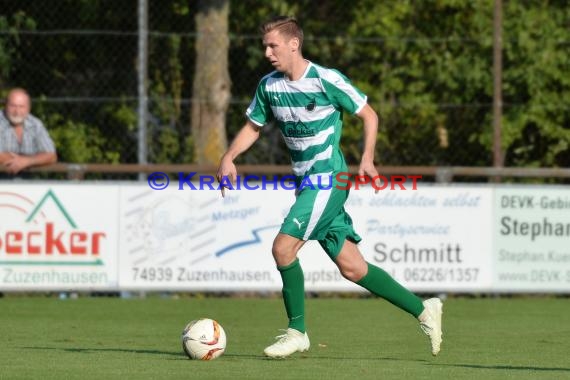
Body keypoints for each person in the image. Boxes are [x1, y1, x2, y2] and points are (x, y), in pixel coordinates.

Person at [216, 16, 443, 359]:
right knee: (353, 268)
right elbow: (253, 126)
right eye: (265, 46)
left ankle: (297, 331)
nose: (267, 53)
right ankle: (424, 310)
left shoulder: (326, 79)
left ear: (294, 44)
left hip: (329, 181)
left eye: (273, 45)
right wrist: (229, 156)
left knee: (282, 249)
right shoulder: (269, 86)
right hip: (306, 184)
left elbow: (369, 115)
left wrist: (367, 159)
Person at [0, 88, 57, 176]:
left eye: (21, 106)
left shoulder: (35, 124)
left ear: (28, 108)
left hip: (28, 181)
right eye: (13, 106)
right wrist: (36, 158)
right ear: (5, 105)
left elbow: (51, 156)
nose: (17, 111)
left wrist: (27, 161)